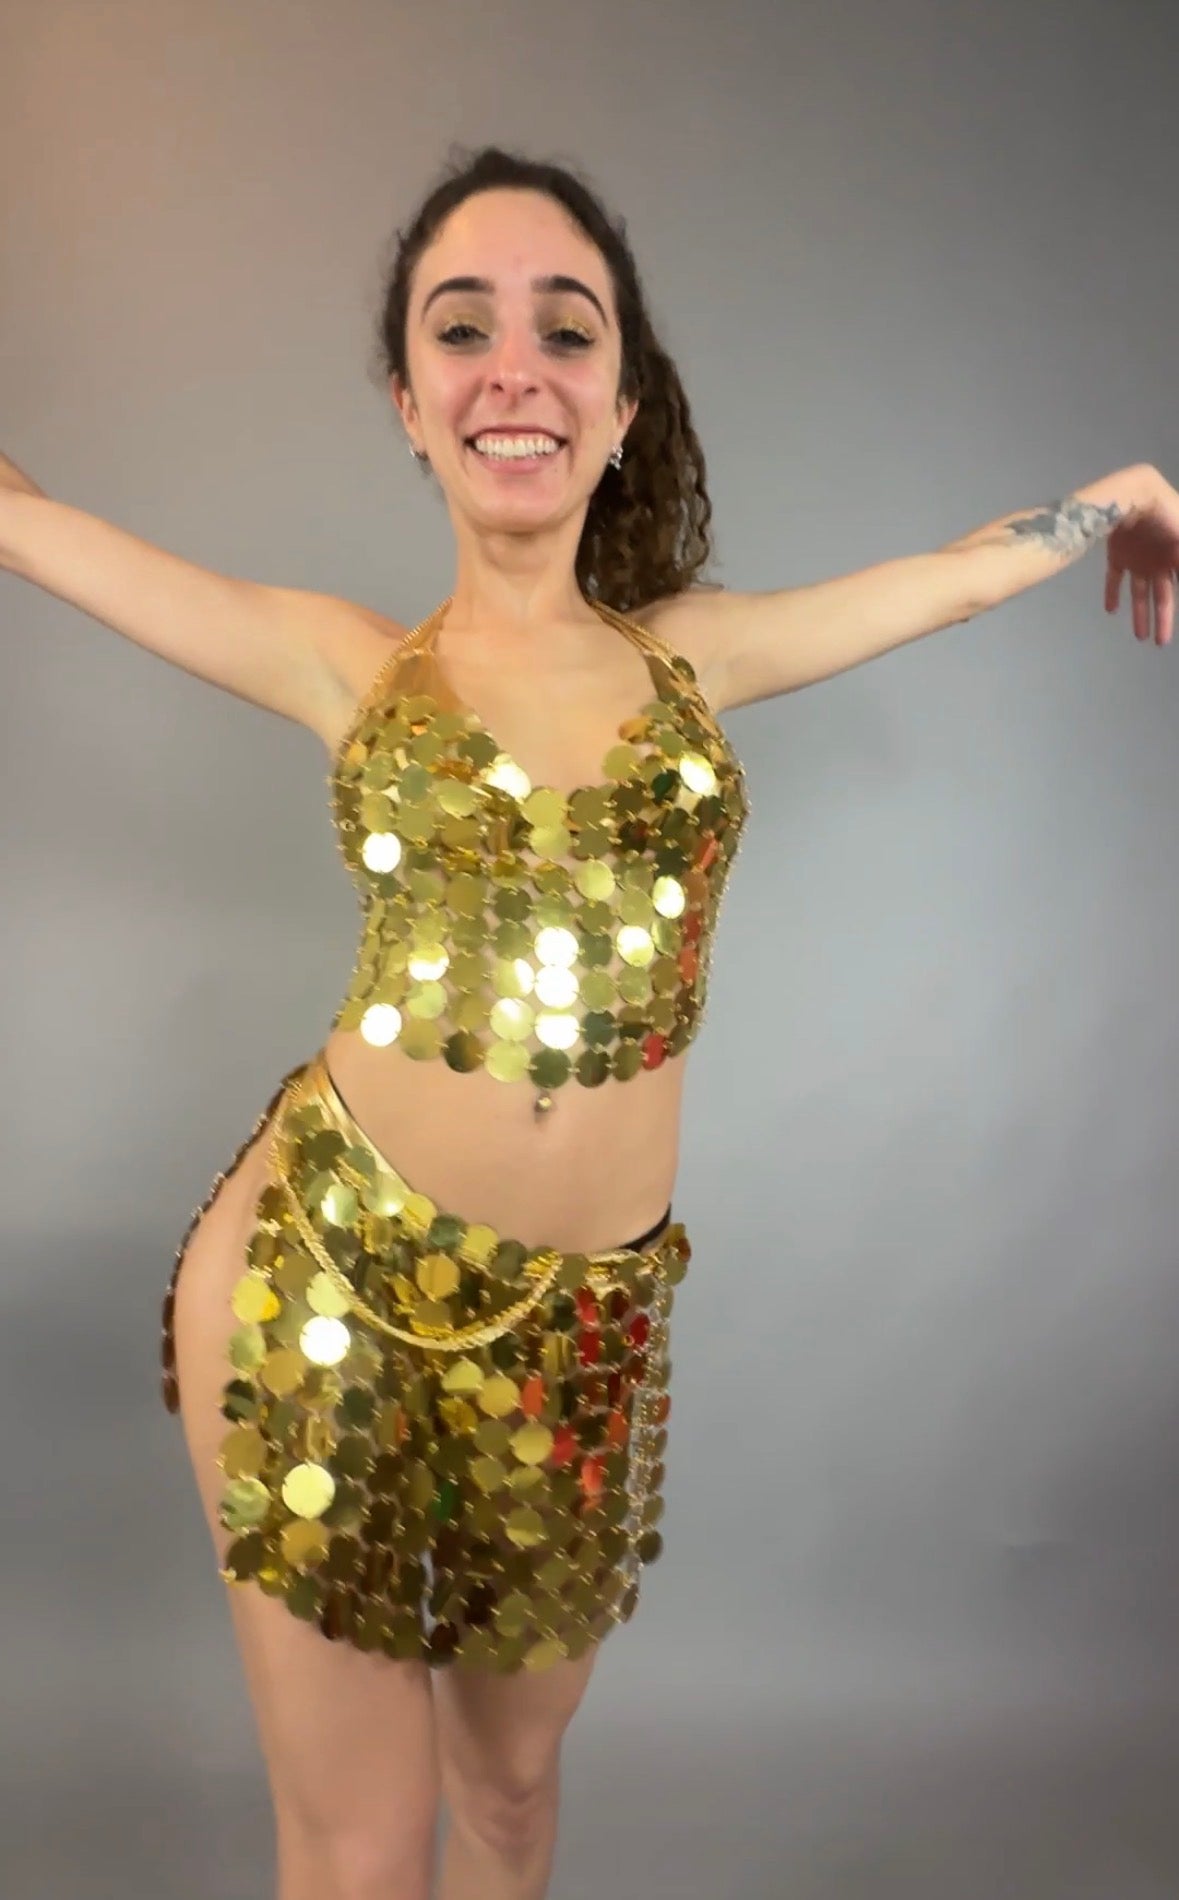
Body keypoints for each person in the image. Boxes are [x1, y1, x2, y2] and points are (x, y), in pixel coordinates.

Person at [3, 140, 1177, 1900]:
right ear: (411, 403)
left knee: (517, 1803)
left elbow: (942, 574)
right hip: (319, 1289)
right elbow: (30, 523)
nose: (514, 368)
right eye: (459, 329)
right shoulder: (352, 662)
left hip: (587, 1341)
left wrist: (1122, 494)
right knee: (360, 1845)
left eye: (567, 330)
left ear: (621, 404)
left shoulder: (696, 659)